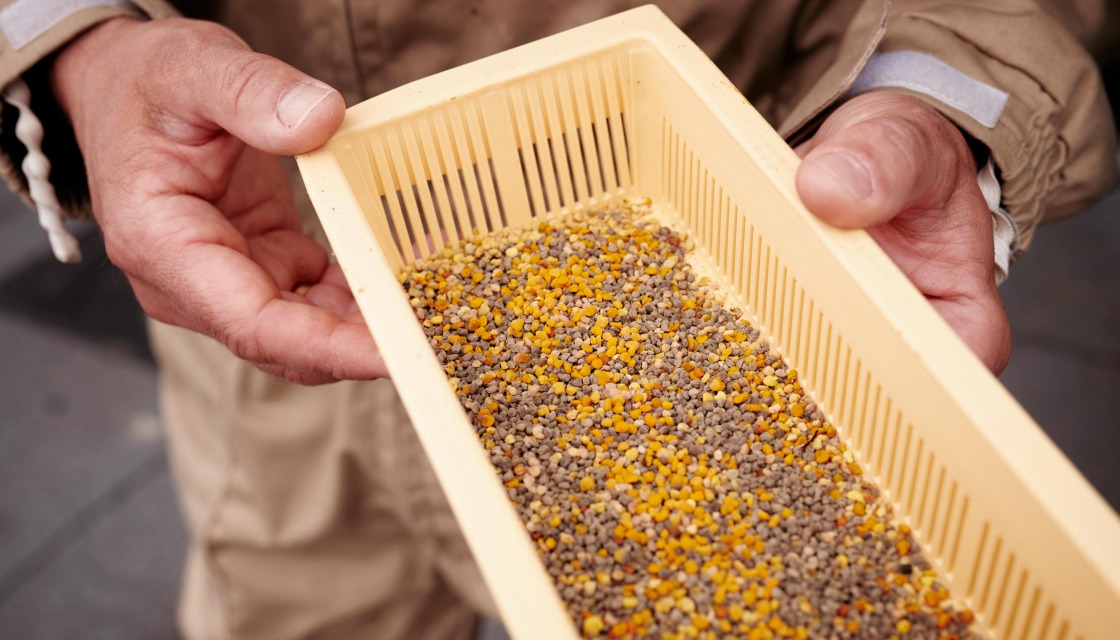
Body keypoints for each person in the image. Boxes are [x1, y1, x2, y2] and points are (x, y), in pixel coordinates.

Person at [0, 1, 1114, 638]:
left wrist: (942, 90)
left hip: (733, 215)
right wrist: (77, 48)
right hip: (274, 276)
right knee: (288, 601)